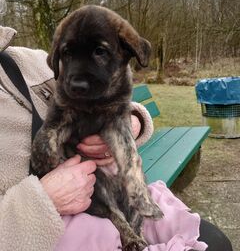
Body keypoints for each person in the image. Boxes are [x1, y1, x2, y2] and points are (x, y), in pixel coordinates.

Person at [0, 26, 233, 251]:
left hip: (111, 189)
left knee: (216, 241)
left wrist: (130, 122)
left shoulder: (29, 62)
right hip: (54, 230)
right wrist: (41, 202)